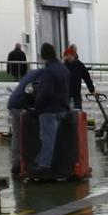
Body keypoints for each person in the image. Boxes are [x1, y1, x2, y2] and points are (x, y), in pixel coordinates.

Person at [28, 42, 73, 180]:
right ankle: (48, 162)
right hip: (62, 108)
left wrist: (37, 108)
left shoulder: (49, 71)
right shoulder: (63, 69)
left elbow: (46, 93)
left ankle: (44, 166)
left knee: (47, 138)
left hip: (50, 110)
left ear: (42, 56)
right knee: (56, 139)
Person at [63, 44, 97, 111]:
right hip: (66, 96)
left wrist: (92, 90)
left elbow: (87, 78)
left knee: (76, 114)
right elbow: (87, 78)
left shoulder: (79, 65)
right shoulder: (63, 66)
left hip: (74, 95)